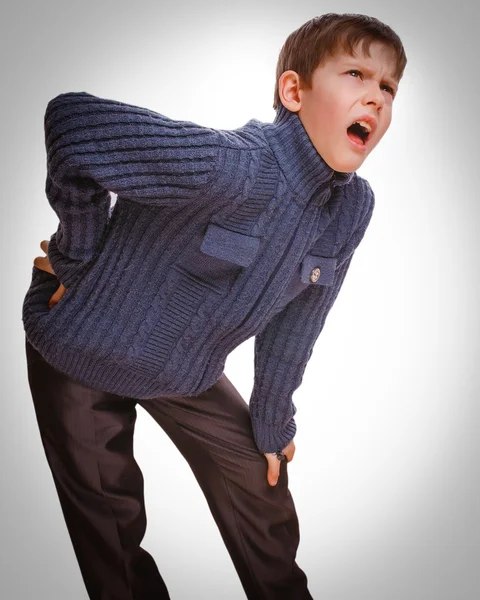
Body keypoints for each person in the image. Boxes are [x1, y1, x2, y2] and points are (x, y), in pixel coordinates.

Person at [22, 12, 407, 600]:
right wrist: (77, 258)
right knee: (112, 526)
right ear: (294, 91)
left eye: (387, 87)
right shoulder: (233, 166)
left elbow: (301, 317)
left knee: (261, 482)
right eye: (356, 74)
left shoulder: (350, 208)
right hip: (84, 339)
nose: (375, 99)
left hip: (182, 366)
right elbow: (73, 124)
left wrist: (273, 420)